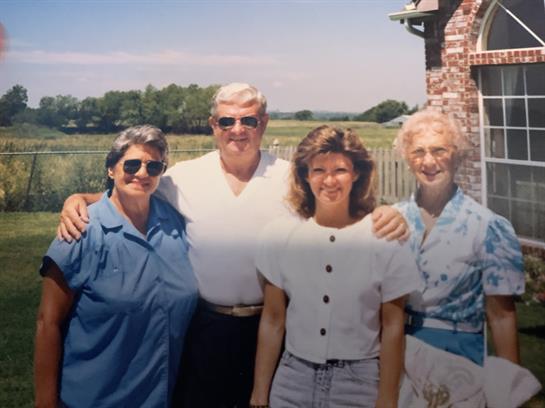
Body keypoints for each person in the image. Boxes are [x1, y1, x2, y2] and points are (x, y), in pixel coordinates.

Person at [56, 83, 409, 408]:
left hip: (275, 327)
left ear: (264, 123)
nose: (237, 129)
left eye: (248, 120)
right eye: (227, 120)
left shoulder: (290, 177)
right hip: (207, 326)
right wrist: (82, 198)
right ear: (214, 125)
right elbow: (134, 187)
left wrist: (387, 213)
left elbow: (339, 200)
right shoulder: (185, 177)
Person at [250, 126, 422, 408]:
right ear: (305, 175)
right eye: (318, 170)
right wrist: (259, 395)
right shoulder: (279, 236)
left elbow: (392, 326)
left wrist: (387, 398)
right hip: (292, 379)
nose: (329, 180)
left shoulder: (384, 238)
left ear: (356, 174)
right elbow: (272, 319)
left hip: (360, 382)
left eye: (340, 170)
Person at [34, 125, 198, 407]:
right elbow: (47, 324)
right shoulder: (81, 232)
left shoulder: (176, 224)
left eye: (154, 166)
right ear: (111, 169)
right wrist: (45, 403)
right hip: (95, 397)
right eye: (132, 164)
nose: (143, 173)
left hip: (162, 396)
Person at [393, 109, 525, 366]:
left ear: (458, 156)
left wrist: (511, 386)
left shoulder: (487, 227)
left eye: (439, 150)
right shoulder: (392, 220)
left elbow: (501, 317)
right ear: (407, 158)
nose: (428, 162)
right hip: (394, 355)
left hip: (457, 360)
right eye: (418, 152)